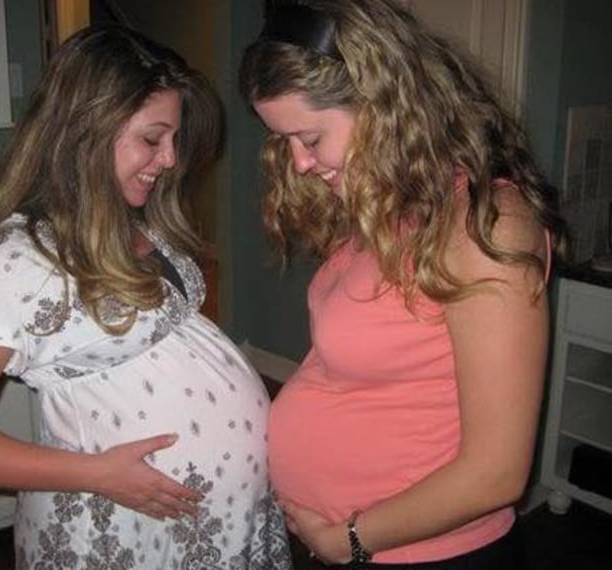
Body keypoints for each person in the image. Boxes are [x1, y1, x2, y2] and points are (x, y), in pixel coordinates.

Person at [0, 25, 292, 569]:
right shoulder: (8, 262)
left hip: (212, 523)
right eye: (152, 138)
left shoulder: (132, 220)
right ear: (86, 129)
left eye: (173, 140)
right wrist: (99, 475)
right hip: (119, 528)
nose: (169, 160)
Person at [239, 0, 566, 568]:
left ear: (383, 107)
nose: (299, 164)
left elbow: (497, 473)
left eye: (310, 139)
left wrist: (351, 539)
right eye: (284, 141)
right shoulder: (389, 203)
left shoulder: (487, 225)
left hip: (426, 554)